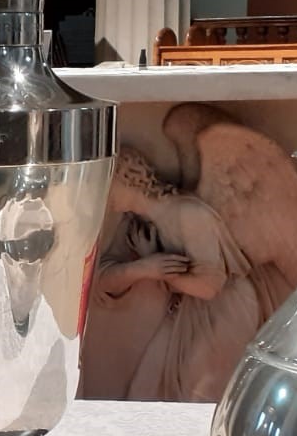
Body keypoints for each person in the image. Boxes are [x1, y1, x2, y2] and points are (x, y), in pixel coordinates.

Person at [95, 148, 264, 402]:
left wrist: (156, 270)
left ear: (126, 178)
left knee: (199, 393)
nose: (103, 196)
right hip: (188, 309)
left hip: (227, 309)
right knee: (145, 387)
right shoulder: (138, 223)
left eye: (106, 185)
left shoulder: (189, 214)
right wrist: (143, 267)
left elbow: (210, 287)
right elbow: (103, 279)